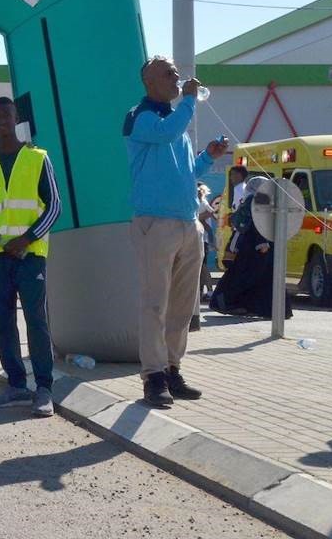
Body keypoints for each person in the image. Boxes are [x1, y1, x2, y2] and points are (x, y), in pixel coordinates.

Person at [123, 57, 228, 409]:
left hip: (187, 224)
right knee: (155, 304)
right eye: (169, 73)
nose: (177, 78)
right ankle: (153, 377)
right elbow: (165, 133)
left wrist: (208, 157)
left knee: (183, 306)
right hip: (155, 224)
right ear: (149, 81)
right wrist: (189, 101)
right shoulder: (140, 117)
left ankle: (171, 369)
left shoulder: (175, 124)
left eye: (176, 74)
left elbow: (186, 172)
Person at [0, 97, 60, 418]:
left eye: (6, 115)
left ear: (15, 119)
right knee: (2, 321)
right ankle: (16, 385)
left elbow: (54, 206)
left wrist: (27, 238)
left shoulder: (38, 158)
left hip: (29, 254)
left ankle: (44, 388)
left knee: (36, 320)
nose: (1, 121)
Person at [210, 177, 292, 319]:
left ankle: (267, 310)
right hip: (256, 247)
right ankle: (229, 303)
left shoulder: (256, 200)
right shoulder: (254, 201)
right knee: (251, 277)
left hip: (257, 247)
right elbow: (256, 224)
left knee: (259, 278)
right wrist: (262, 242)